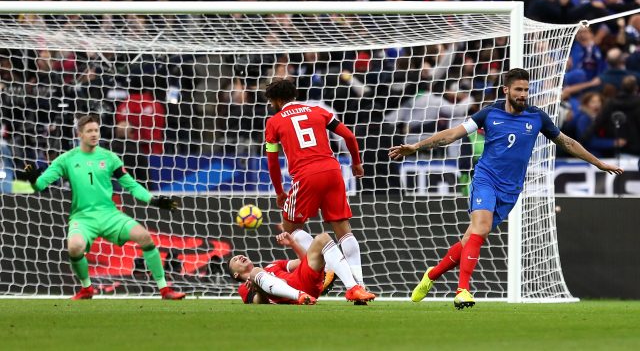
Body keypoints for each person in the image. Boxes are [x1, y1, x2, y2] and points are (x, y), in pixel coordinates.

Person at [389, 68, 623, 309]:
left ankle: (431, 276)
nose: (523, 94)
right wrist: (416, 146)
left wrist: (598, 163)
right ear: (506, 90)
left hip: (511, 189)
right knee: (481, 227)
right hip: (485, 178)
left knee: (471, 238)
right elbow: (452, 134)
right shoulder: (489, 114)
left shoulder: (537, 117)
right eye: (518, 90)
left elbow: (566, 142)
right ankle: (462, 291)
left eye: (526, 90)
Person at [23, 114, 186, 300]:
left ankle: (165, 290)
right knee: (74, 247)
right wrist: (33, 180)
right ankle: (86, 288)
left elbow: (131, 185)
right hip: (82, 217)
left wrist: (154, 201)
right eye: (89, 131)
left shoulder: (109, 158)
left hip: (110, 215)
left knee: (145, 237)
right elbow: (41, 185)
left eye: (96, 130)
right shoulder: (66, 159)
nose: (94, 134)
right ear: (80, 134)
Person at [263, 79, 371, 299]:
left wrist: (280, 192)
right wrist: (356, 162)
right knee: (343, 229)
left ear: (275, 100)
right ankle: (360, 284)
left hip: (306, 176)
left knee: (291, 228)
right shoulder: (318, 111)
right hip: (333, 171)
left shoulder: (274, 121)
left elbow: (272, 162)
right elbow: (349, 135)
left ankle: (335, 270)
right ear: (294, 94)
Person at [228, 232, 375, 305]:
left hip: (303, 281)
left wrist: (292, 243)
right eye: (235, 259)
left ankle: (353, 288)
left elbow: (303, 261)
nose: (240, 257)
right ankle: (299, 296)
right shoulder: (244, 287)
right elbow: (260, 303)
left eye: (240, 255)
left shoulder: (273, 265)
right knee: (255, 272)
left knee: (322, 238)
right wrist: (258, 288)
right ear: (235, 274)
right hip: (291, 295)